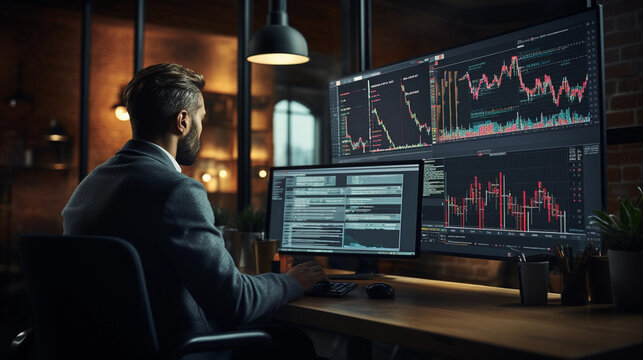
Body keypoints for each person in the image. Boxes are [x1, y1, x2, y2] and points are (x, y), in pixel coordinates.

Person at [62, 63, 327, 359]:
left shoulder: (88, 187)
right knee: (293, 342)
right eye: (201, 119)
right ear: (182, 121)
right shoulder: (177, 190)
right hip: (178, 351)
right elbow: (235, 301)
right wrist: (292, 281)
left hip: (103, 349)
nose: (201, 130)